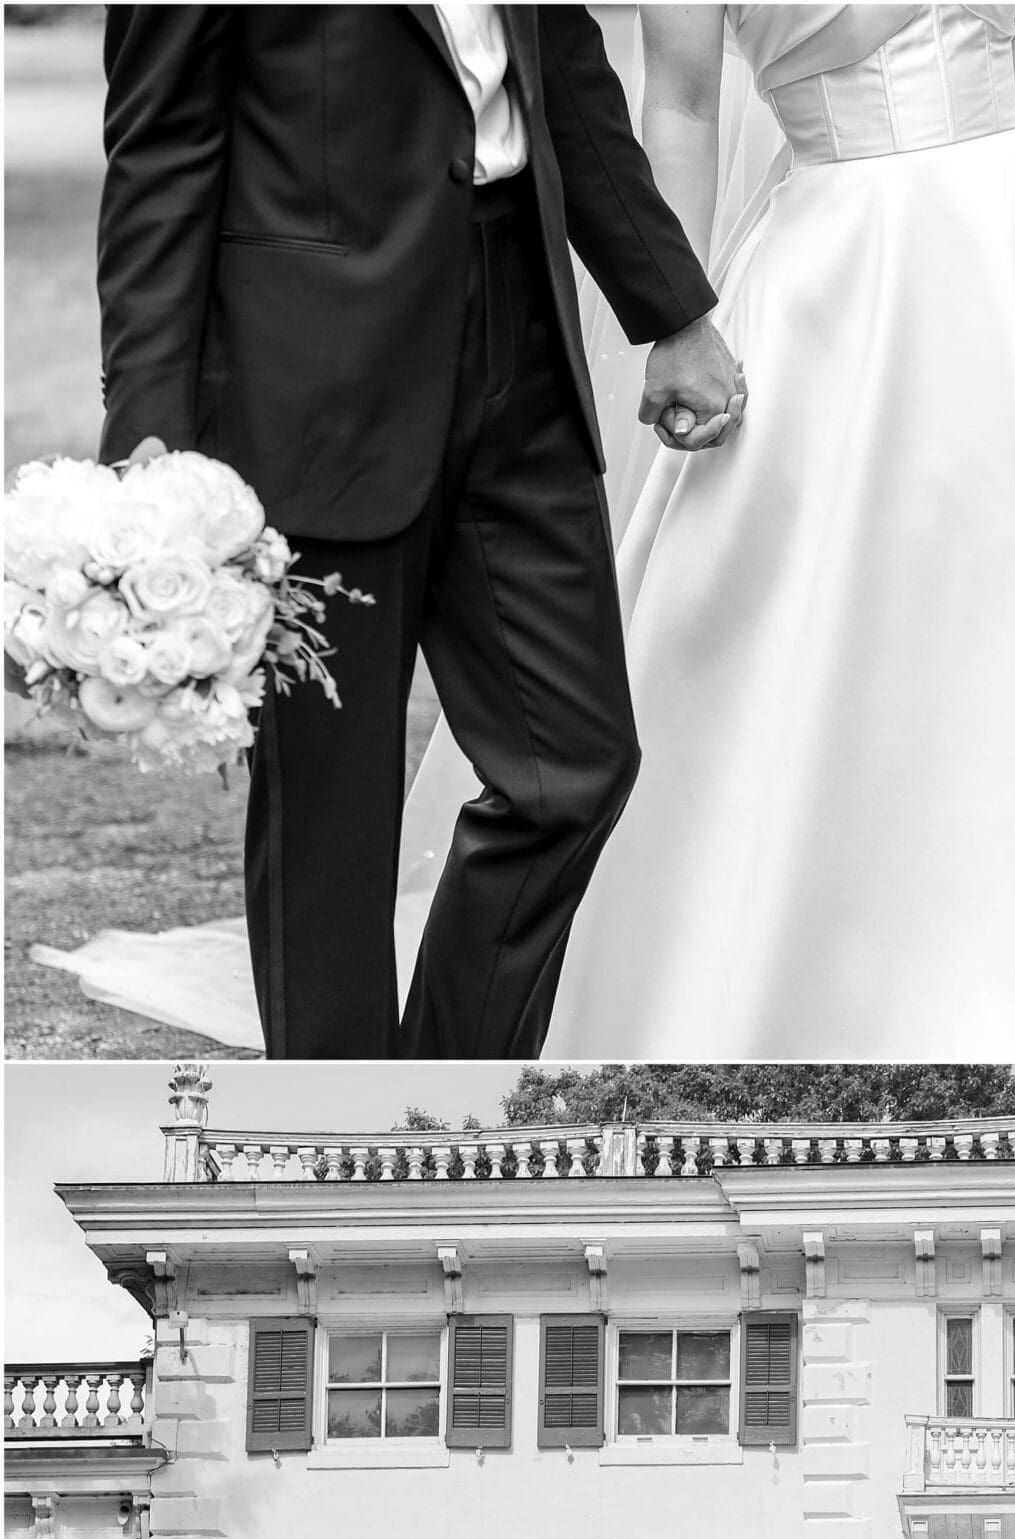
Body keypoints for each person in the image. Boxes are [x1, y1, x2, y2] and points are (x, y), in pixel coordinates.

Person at [394, 1, 1015, 1062]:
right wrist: (677, 320)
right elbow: (683, 106)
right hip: (844, 297)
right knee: (838, 646)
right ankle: (798, 991)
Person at [94, 5, 743, 1061]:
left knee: (572, 766)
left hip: (521, 345)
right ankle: (342, 1155)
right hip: (311, 377)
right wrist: (151, 444)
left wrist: (671, 310)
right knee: (331, 826)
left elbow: (563, 72)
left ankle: (445, 1107)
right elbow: (163, 149)